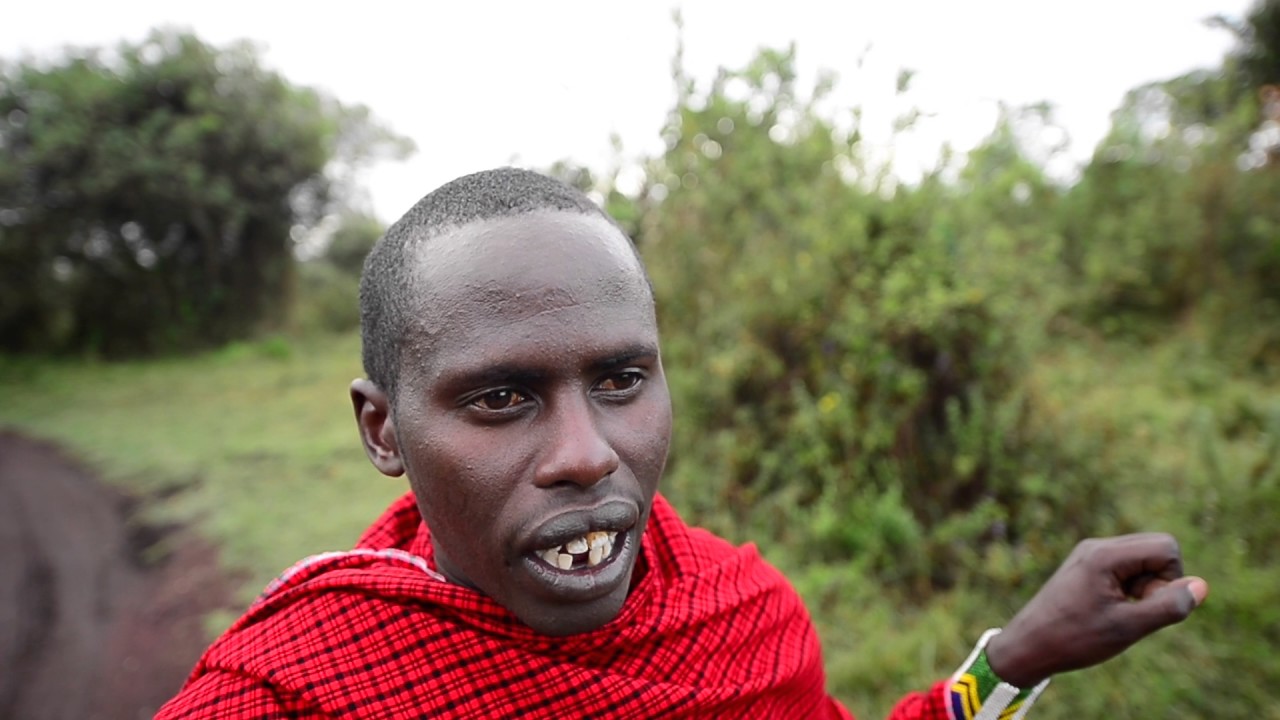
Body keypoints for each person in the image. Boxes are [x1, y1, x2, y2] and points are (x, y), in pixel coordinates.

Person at [157, 168, 1209, 719]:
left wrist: (1011, 661)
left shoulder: (740, 619)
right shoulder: (285, 693)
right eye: (499, 398)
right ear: (384, 430)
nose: (584, 453)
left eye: (620, 381)